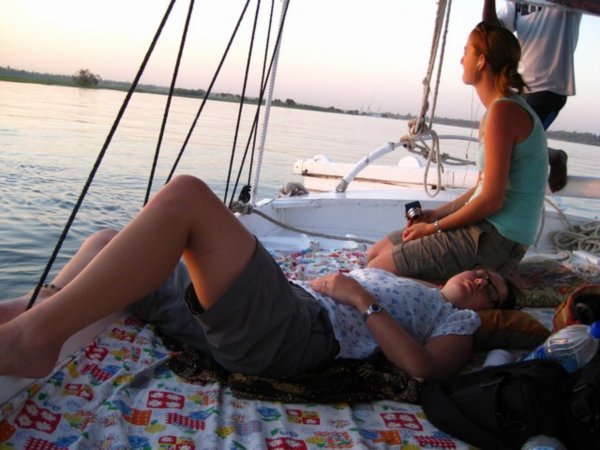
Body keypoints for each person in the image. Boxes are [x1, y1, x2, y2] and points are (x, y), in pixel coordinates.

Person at [0, 175, 517, 383]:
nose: (479, 280)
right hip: (269, 314)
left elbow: (426, 369)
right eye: (481, 271)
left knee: (186, 199)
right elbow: (388, 245)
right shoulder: (409, 279)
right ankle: (29, 314)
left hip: (296, 332)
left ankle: (33, 340)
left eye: (491, 288)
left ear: (486, 309)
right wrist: (415, 232)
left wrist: (360, 299)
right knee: (107, 243)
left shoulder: (457, 320)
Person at [367, 21, 548, 283]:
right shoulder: (494, 113)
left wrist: (434, 228)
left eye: (466, 52)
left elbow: (492, 201)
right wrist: (437, 214)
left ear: (481, 60)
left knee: (376, 271)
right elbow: (480, 189)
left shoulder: (504, 112)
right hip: (484, 228)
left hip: (497, 239)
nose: (461, 59)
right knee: (375, 253)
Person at [483, 0, 582, 192]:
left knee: (510, 149)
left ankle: (555, 158)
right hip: (521, 85)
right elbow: (493, 28)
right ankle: (553, 156)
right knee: (499, 142)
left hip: (551, 87)